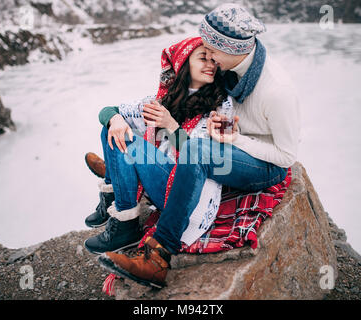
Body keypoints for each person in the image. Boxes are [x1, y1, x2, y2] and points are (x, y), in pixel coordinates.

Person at [98, 3, 301, 289]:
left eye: (212, 51)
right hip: (239, 145)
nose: (210, 60)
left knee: (196, 151)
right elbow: (240, 121)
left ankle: (158, 256)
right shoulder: (234, 68)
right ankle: (117, 179)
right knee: (145, 138)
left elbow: (286, 155)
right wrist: (227, 131)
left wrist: (234, 139)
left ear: (230, 49)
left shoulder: (276, 90)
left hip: (268, 165)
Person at [83, 37, 229, 255]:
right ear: (184, 63)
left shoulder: (220, 107)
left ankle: (125, 224)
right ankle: (112, 196)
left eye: (213, 60)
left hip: (189, 196)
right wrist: (116, 119)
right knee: (111, 128)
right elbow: (108, 110)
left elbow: (207, 160)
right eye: (202, 58)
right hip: (161, 183)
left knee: (130, 145)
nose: (210, 65)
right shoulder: (162, 100)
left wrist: (170, 125)